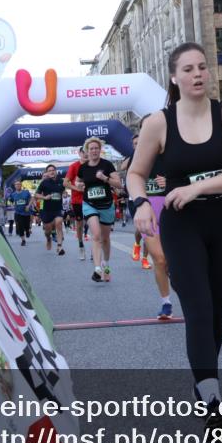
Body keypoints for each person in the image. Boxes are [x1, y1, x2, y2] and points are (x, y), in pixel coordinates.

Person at [128, 42, 222, 428]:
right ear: (174, 77)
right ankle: (212, 395)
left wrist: (199, 187)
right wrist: (141, 204)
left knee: (215, 311)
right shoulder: (158, 122)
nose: (198, 74)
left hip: (221, 219)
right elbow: (136, 174)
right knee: (198, 307)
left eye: (202, 67)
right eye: (188, 69)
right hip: (181, 225)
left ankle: (204, 380)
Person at [135, 115, 174, 319]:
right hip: (148, 212)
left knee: (174, 261)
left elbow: (188, 181)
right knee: (159, 259)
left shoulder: (174, 153)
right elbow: (130, 184)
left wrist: (168, 183)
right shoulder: (139, 157)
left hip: (173, 210)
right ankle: (166, 303)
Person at [75, 136, 122, 282]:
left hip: (106, 205)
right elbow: (78, 181)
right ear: (87, 152)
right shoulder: (83, 168)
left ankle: (106, 265)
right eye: (91, 149)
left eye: (96, 148)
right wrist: (80, 185)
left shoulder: (107, 165)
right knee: (96, 235)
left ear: (100, 150)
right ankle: (97, 268)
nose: (94, 151)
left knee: (105, 239)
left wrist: (105, 178)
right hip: (89, 204)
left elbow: (119, 184)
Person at [123, 135, 150, 268]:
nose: (138, 145)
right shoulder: (132, 158)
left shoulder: (154, 154)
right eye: (135, 144)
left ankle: (145, 258)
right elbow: (122, 166)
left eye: (140, 142)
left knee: (149, 229)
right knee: (140, 228)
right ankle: (137, 244)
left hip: (150, 196)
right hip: (135, 199)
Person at [34, 164, 66, 255]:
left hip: (57, 209)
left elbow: (63, 190)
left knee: (59, 223)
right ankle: (48, 239)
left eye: (53, 170)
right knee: (47, 231)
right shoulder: (44, 182)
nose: (52, 172)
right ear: (47, 173)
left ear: (56, 171)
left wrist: (64, 194)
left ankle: (59, 246)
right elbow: (36, 195)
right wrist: (44, 197)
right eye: (49, 170)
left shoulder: (61, 181)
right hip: (46, 210)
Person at [63, 147, 89, 260]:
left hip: (92, 198)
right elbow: (65, 183)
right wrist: (77, 189)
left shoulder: (94, 165)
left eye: (87, 152)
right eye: (84, 152)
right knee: (79, 224)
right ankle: (81, 245)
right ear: (80, 153)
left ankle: (95, 248)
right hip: (77, 200)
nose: (86, 154)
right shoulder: (74, 166)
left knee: (93, 222)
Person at [11, 180, 32, 246]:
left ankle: (28, 230)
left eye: (19, 184)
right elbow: (10, 201)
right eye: (16, 184)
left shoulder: (26, 192)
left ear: (21, 185)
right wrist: (12, 204)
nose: (18, 185)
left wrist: (28, 206)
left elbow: (31, 199)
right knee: (20, 226)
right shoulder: (13, 194)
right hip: (18, 212)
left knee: (26, 225)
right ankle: (23, 240)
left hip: (26, 212)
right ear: (15, 186)